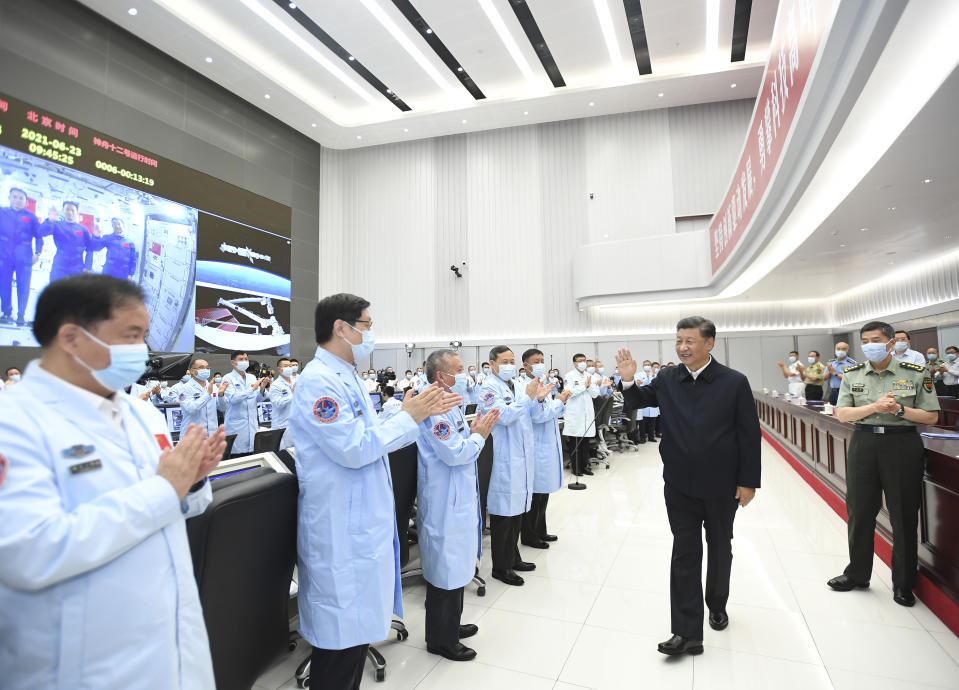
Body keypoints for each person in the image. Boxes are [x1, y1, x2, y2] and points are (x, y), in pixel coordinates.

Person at [0, 273, 226, 687]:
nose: (144, 350)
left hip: (170, 643)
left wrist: (191, 483)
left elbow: (176, 508)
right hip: (83, 665)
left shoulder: (143, 415)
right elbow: (29, 552)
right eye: (132, 335)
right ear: (72, 338)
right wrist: (163, 490)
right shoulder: (14, 422)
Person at [288, 292, 459, 689]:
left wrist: (405, 415)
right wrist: (409, 419)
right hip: (340, 531)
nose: (371, 333)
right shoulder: (319, 382)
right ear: (341, 328)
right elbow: (353, 449)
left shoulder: (345, 377)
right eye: (367, 325)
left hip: (361, 526)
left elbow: (369, 437)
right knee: (339, 648)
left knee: (354, 638)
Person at [616, 316, 761, 657]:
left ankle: (717, 602)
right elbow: (638, 400)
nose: (682, 347)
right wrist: (627, 380)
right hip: (679, 484)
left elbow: (749, 435)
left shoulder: (733, 382)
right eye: (678, 340)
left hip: (722, 485)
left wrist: (748, 481)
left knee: (720, 546)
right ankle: (686, 632)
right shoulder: (667, 377)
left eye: (689, 341)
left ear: (709, 343)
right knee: (685, 552)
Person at [828, 321, 939, 607]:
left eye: (875, 340)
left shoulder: (915, 373)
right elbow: (843, 414)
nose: (869, 345)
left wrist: (900, 409)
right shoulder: (853, 374)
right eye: (864, 341)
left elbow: (931, 417)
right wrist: (874, 407)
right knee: (860, 511)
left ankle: (903, 583)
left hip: (901, 444)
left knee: (903, 515)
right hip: (864, 444)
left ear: (891, 343)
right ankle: (858, 574)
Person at [415, 349, 499, 662]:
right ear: (441, 375)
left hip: (457, 495)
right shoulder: (434, 405)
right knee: (445, 569)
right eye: (459, 369)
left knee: (456, 564)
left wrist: (473, 433)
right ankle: (440, 639)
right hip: (443, 499)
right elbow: (454, 453)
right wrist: (479, 437)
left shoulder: (448, 401)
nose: (465, 374)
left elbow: (460, 443)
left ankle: (450, 625)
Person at [477, 345, 552, 586]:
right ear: (492, 364)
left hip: (521, 456)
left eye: (512, 360)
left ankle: (514, 557)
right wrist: (528, 398)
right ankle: (501, 566)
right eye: (505, 361)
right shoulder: (488, 388)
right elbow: (505, 416)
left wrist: (537, 399)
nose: (510, 365)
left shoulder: (517, 385)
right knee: (504, 516)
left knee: (518, 510)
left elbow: (528, 411)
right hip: (503, 459)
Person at [520, 349, 570, 548]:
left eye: (542, 360)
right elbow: (537, 416)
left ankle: (541, 530)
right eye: (536, 361)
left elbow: (550, 412)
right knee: (535, 494)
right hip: (535, 445)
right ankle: (529, 535)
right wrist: (558, 403)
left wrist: (559, 402)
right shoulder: (525, 386)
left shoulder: (543, 383)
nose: (541, 364)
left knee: (543, 493)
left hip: (546, 443)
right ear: (526, 365)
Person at [0, 187, 43, 326]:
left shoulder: (31, 217)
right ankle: (7, 312)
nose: (18, 200)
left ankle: (20, 315)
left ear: (26, 201)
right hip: (4, 255)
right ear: (9, 198)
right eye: (15, 197)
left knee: (23, 286)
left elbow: (39, 236)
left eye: (21, 198)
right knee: (4, 285)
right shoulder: (2, 212)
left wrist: (38, 253)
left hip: (24, 257)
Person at [223, 350, 269, 455]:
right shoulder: (227, 378)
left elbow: (258, 399)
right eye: (241, 359)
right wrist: (252, 389)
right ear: (233, 362)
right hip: (236, 426)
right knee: (237, 459)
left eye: (246, 359)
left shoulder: (252, 377)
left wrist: (261, 389)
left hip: (252, 424)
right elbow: (234, 399)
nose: (245, 361)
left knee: (252, 456)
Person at [563, 354, 600, 474]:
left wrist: (588, 387)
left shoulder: (590, 376)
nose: (583, 363)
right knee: (575, 443)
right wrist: (584, 386)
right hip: (575, 415)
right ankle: (576, 469)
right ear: (574, 363)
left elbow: (595, 394)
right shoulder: (569, 376)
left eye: (584, 360)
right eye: (580, 361)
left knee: (585, 443)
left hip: (587, 415)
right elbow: (569, 393)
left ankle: (585, 466)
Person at [42, 201, 96, 282]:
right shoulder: (56, 225)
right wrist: (49, 221)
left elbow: (90, 248)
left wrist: (87, 266)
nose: (70, 212)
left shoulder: (83, 229)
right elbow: (42, 232)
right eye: (67, 209)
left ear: (77, 213)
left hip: (77, 267)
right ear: (63, 211)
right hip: (60, 265)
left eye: (72, 210)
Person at [177, 357, 225, 436]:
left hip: (212, 434)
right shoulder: (185, 388)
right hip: (193, 436)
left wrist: (221, 395)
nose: (205, 370)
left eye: (207, 367)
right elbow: (191, 409)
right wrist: (208, 394)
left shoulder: (213, 386)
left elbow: (223, 408)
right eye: (201, 367)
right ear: (192, 371)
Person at [270, 358, 296, 446]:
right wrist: (293, 393)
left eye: (290, 366)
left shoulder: (295, 382)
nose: (289, 368)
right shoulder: (275, 385)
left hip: (296, 424)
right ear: (279, 369)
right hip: (282, 425)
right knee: (284, 453)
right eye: (285, 366)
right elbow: (277, 404)